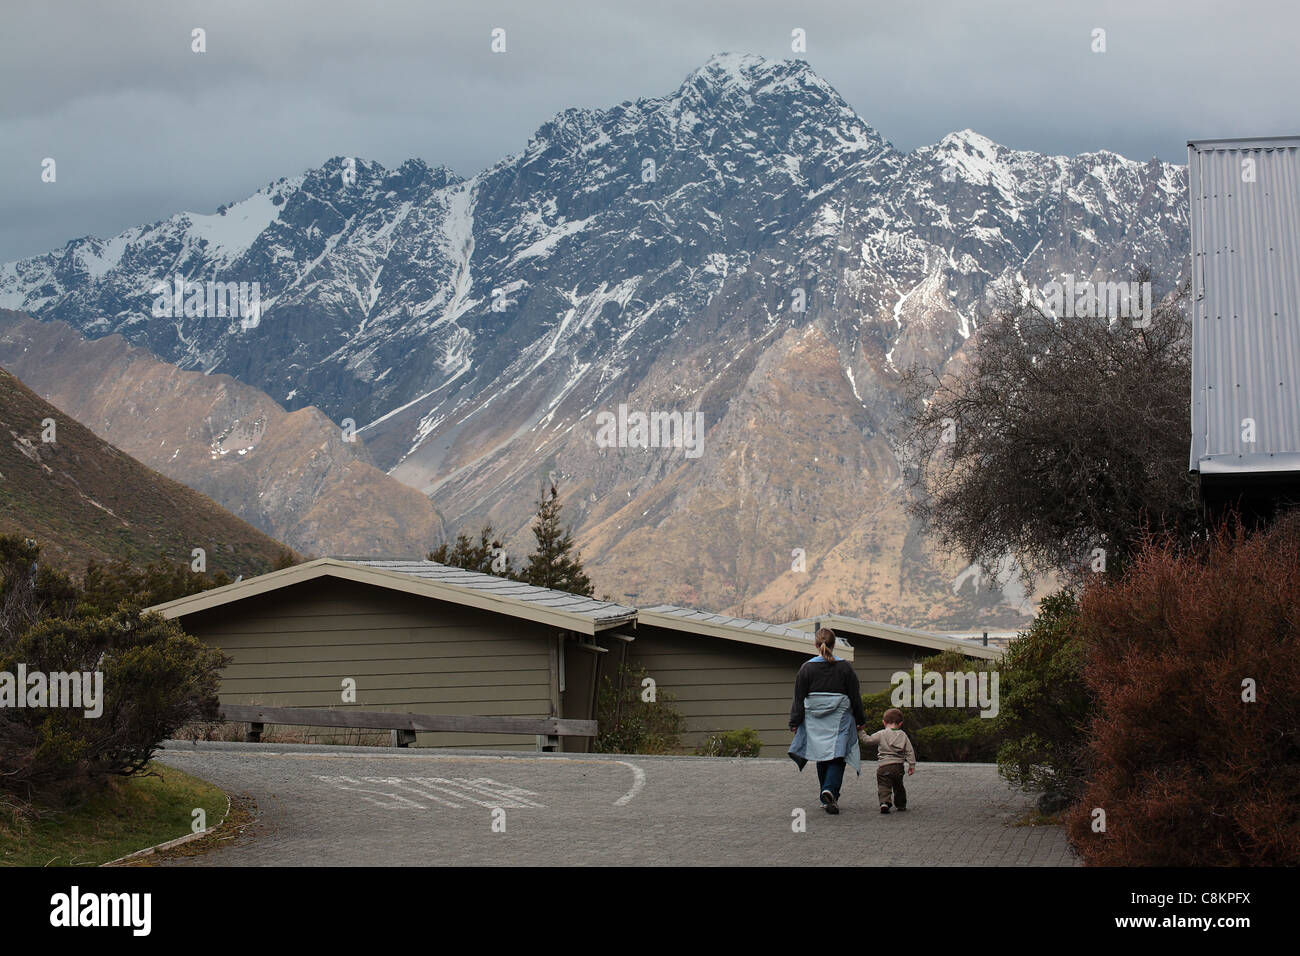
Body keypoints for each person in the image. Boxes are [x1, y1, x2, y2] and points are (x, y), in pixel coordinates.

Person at [787, 628, 865, 814]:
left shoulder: (806, 668)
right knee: (838, 755)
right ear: (834, 644)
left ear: (815, 644)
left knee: (821, 754)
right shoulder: (844, 667)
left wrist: (795, 722)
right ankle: (829, 790)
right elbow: (855, 696)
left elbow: (798, 698)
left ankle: (826, 794)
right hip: (840, 720)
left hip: (815, 720)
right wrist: (860, 719)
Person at [860, 707, 917, 813]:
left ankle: (885, 802)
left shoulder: (881, 734)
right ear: (900, 723)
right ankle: (901, 804)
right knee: (898, 785)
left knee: (884, 786)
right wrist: (911, 765)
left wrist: (861, 732)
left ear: (884, 722)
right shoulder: (903, 735)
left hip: (884, 766)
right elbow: (910, 751)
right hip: (898, 767)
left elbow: (867, 741)